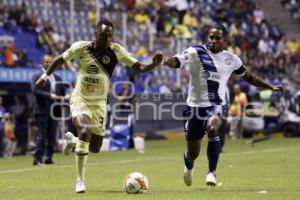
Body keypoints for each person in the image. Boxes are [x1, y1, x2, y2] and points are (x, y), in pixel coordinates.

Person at [35, 19, 163, 193]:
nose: (108, 39)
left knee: (94, 147)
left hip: (99, 104)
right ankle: (80, 180)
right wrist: (44, 78)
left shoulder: (116, 51)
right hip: (80, 99)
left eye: (110, 35)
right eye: (104, 35)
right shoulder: (82, 47)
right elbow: (59, 60)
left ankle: (73, 141)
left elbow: (138, 67)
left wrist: (153, 64)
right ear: (96, 34)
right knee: (85, 130)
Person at [163, 24, 284, 187]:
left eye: (217, 38)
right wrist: (165, 60)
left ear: (224, 40)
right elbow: (175, 61)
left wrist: (270, 86)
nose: (213, 40)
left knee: (213, 128)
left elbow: (249, 76)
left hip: (215, 105)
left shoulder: (231, 59)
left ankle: (211, 173)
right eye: (211, 37)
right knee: (193, 152)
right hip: (193, 107)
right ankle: (189, 165)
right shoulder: (194, 52)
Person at [32, 55, 67, 165]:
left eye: (51, 62)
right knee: (42, 135)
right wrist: (50, 95)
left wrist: (67, 96)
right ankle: (37, 158)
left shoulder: (58, 78)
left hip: (55, 111)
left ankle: (48, 157)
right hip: (42, 110)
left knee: (52, 136)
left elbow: (63, 93)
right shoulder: (37, 76)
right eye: (46, 62)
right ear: (42, 63)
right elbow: (35, 91)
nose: (49, 64)